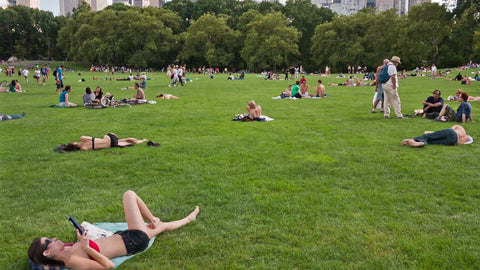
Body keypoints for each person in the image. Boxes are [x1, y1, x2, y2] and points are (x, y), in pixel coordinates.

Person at [28, 190, 199, 269]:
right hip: (134, 241)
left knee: (161, 228)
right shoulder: (72, 261)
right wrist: (87, 248)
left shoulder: (66, 248)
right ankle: (158, 219)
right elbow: (108, 266)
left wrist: (82, 236)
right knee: (129, 195)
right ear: (47, 253)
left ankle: (185, 219)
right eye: (49, 241)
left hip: (123, 236)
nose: (55, 239)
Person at [55, 134, 148, 152]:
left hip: (111, 145)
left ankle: (140, 141)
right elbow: (84, 137)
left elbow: (83, 149)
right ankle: (140, 140)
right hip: (110, 137)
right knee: (121, 140)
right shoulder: (83, 139)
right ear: (74, 143)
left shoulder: (84, 149)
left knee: (123, 141)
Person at [401, 125, 473, 147]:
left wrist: (432, 132)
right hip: (453, 141)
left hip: (451, 132)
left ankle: (413, 139)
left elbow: (450, 130)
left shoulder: (461, 129)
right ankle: (419, 143)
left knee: (430, 136)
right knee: (433, 142)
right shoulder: (464, 140)